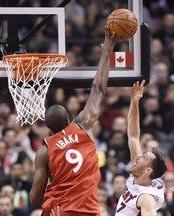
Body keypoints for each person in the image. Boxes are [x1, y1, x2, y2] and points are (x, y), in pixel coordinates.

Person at [29, 26, 115, 216]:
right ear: (69, 119)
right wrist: (106, 51)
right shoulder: (83, 125)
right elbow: (98, 88)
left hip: (60, 210)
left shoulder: (44, 151)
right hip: (89, 210)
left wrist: (53, 177)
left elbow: (34, 199)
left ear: (48, 128)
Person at [115, 80, 167, 215]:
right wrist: (134, 101)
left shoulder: (146, 198)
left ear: (148, 170)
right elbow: (133, 135)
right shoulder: (138, 176)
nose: (138, 155)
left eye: (144, 157)